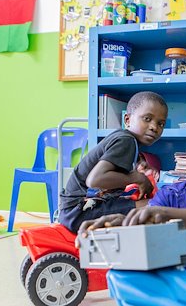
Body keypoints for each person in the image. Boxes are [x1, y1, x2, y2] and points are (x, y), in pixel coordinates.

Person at [78, 132, 186, 279]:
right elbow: (148, 218)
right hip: (184, 282)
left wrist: (161, 212)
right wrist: (119, 222)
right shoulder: (171, 193)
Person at [58, 91, 168, 233]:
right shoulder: (126, 141)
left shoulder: (125, 139)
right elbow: (95, 180)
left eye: (161, 124)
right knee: (157, 205)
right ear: (127, 120)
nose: (154, 127)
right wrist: (138, 178)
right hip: (79, 212)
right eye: (147, 119)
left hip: (76, 209)